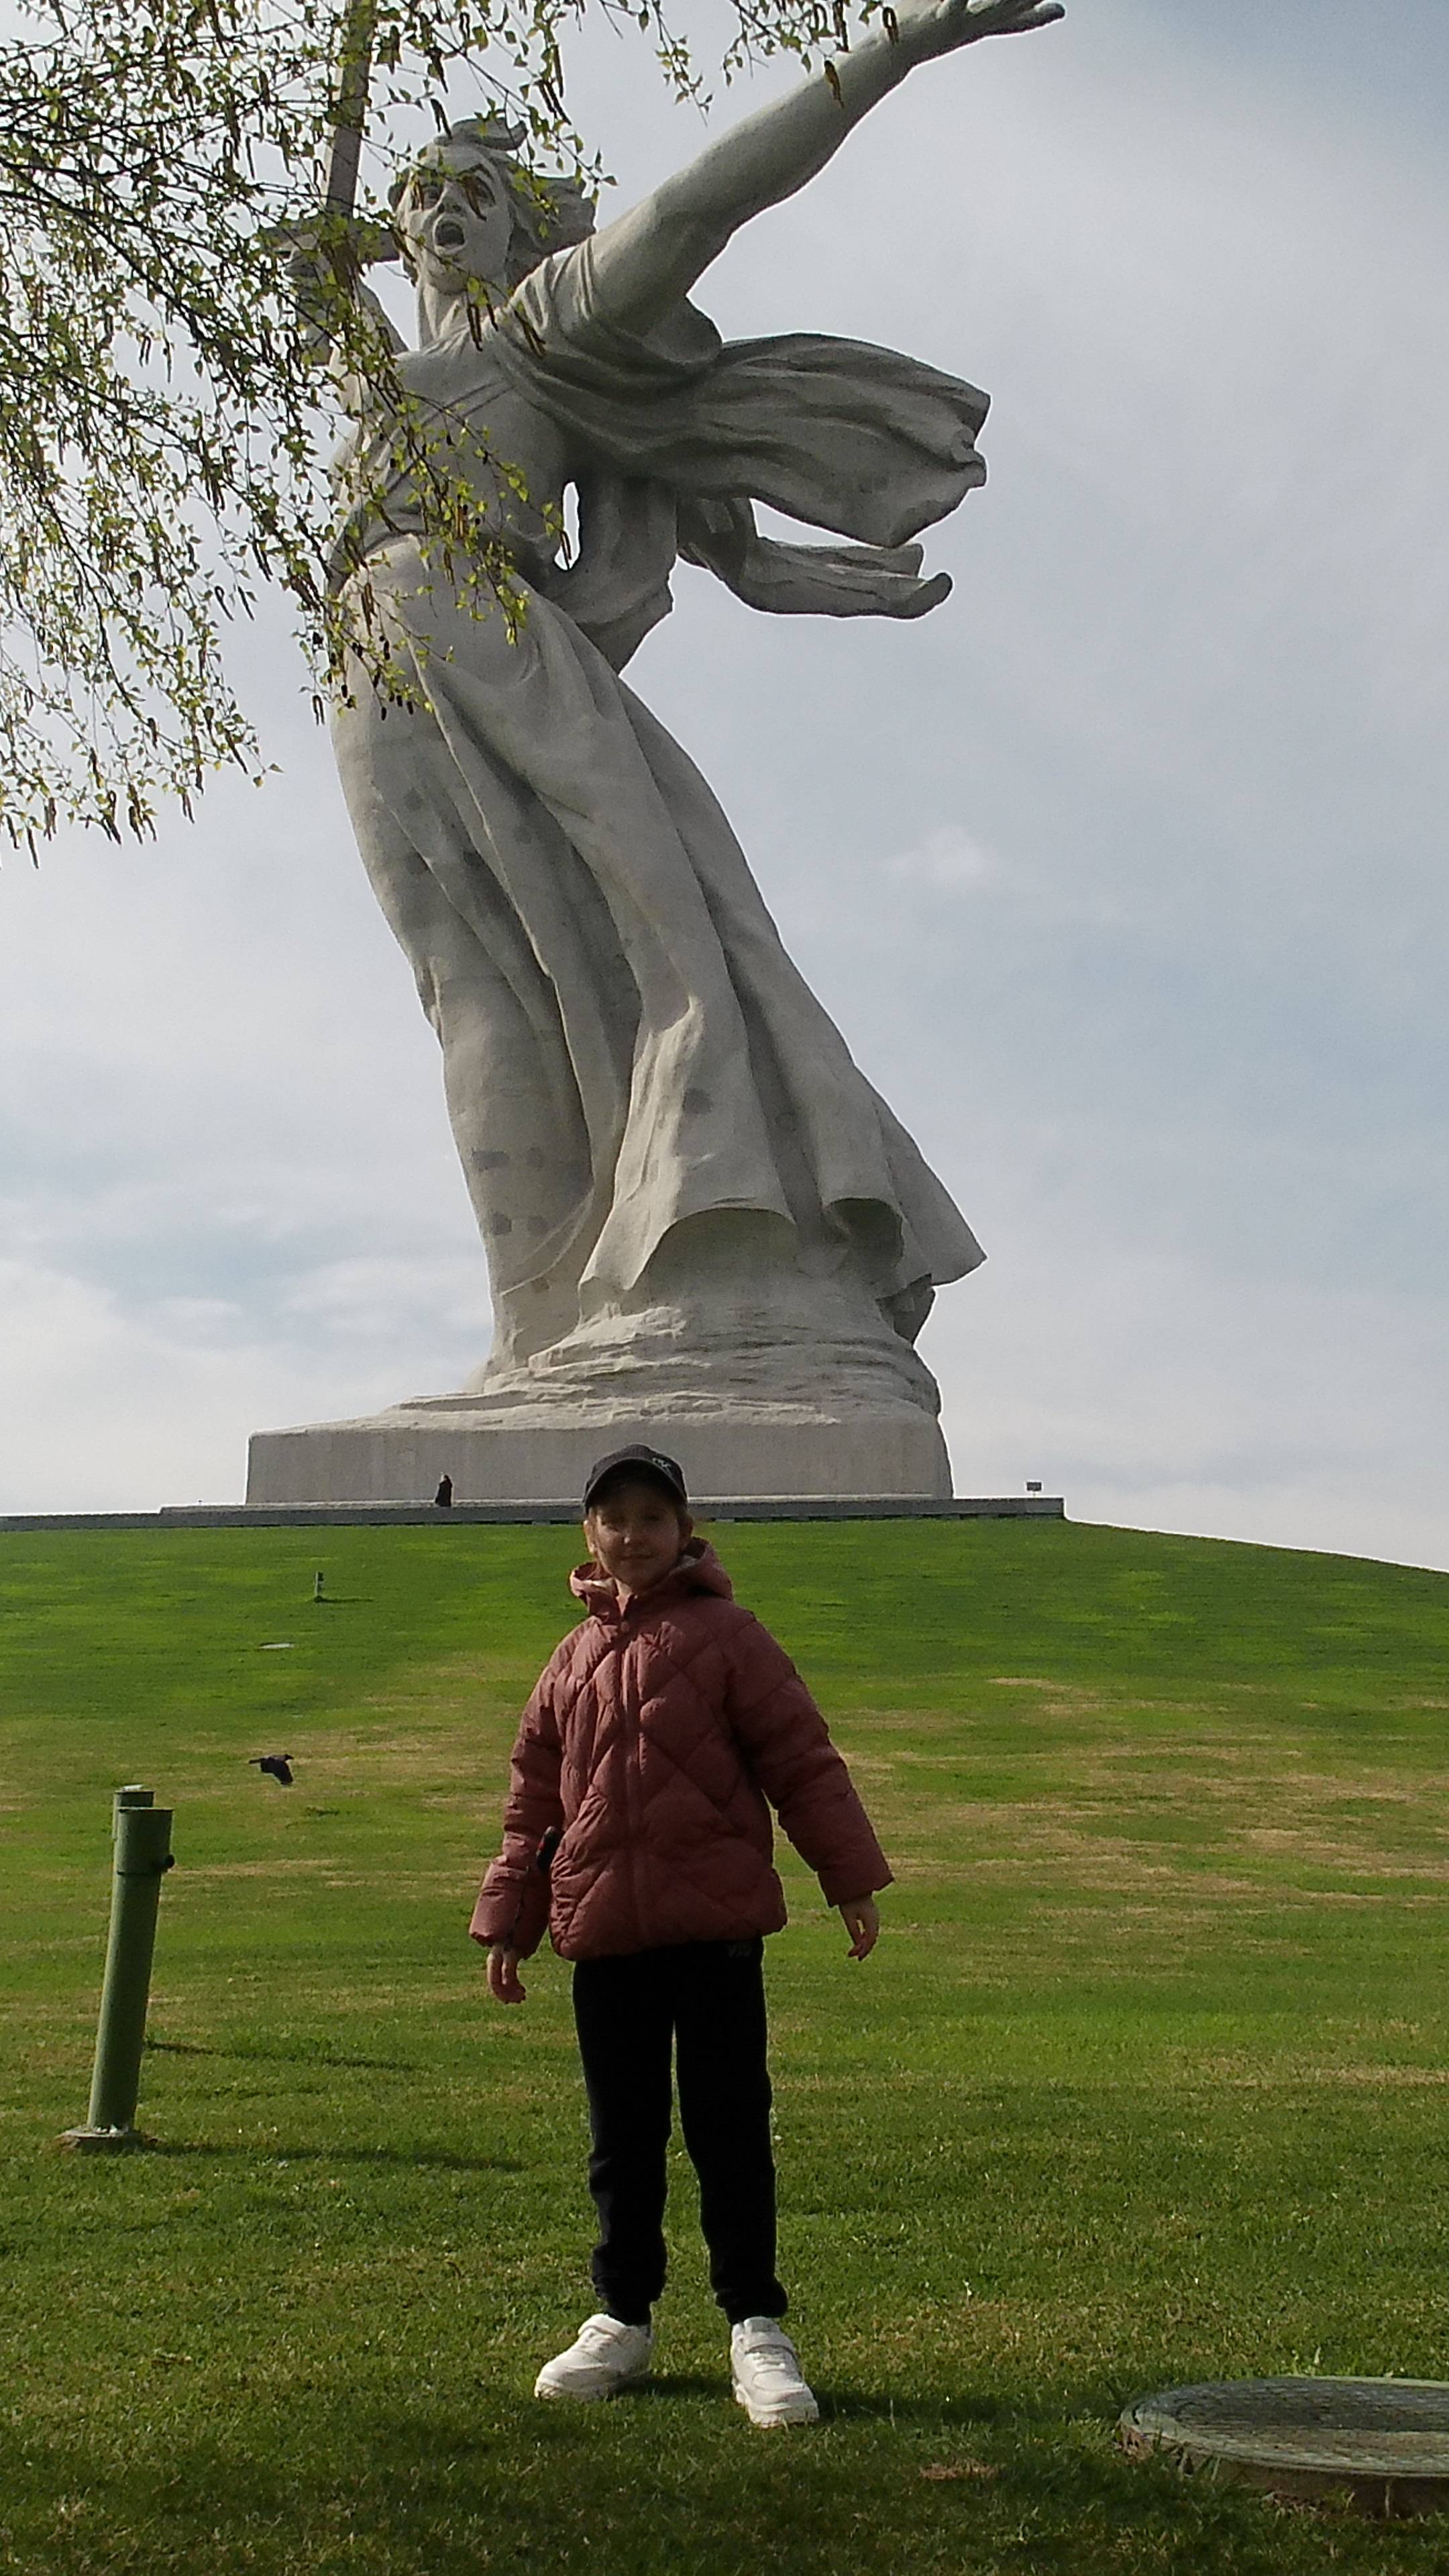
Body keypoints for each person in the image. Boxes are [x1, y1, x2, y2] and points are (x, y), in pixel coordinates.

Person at [295, 1, 1065, 1419]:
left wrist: (889, 50)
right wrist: (323, 231)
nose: (444, 213)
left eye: (477, 196)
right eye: (423, 195)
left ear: (525, 234)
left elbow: (707, 201)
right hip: (374, 658)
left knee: (664, 938)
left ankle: (714, 1251)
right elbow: (310, 275)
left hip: (487, 631)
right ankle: (537, 1329)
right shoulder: (380, 370)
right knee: (476, 987)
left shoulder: (548, 329)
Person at [470, 1442, 892, 2423]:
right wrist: (511, 1920)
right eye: (614, 1519)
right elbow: (534, 1804)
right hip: (605, 1931)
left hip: (714, 1934)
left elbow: (801, 1761)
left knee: (728, 2130)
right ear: (589, 1534)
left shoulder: (731, 1636)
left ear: (685, 1529)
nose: (633, 1536)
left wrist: (849, 1880)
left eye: (652, 1518)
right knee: (621, 2141)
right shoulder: (569, 1661)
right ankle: (622, 2317)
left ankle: (756, 2325)